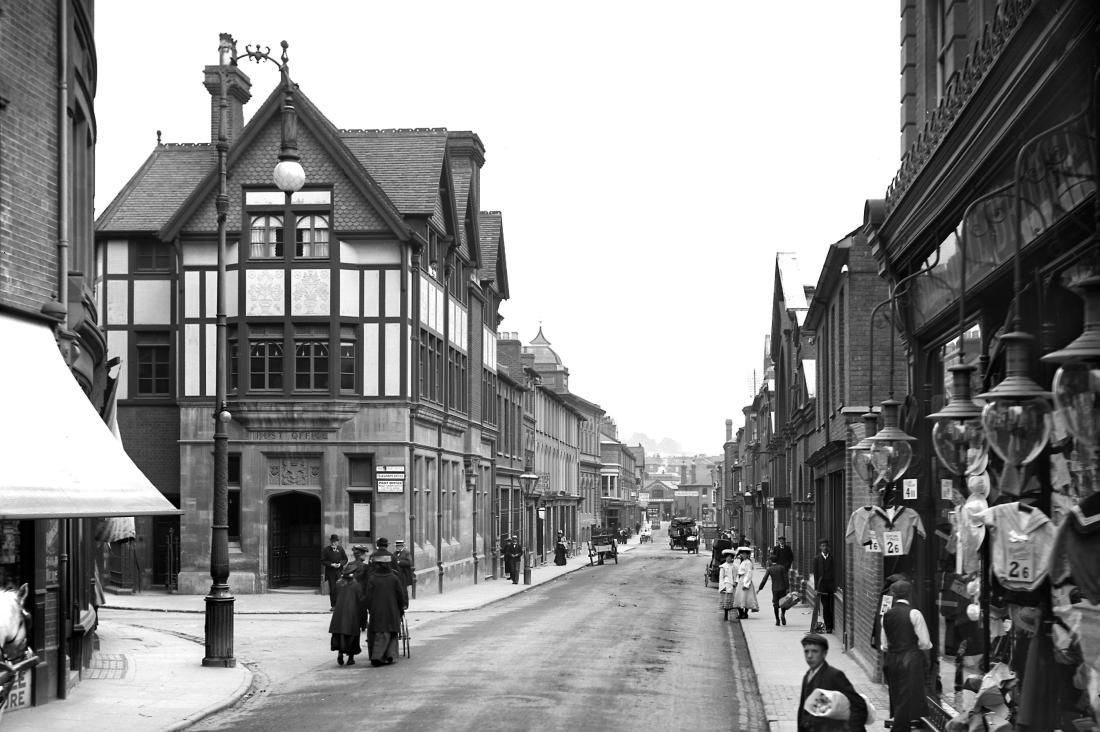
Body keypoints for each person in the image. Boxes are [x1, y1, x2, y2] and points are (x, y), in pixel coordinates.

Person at [880, 580, 931, 730]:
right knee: (906, 696)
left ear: (893, 595)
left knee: (896, 694)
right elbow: (925, 643)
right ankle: (900, 728)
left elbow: (884, 644)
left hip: (891, 659)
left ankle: (902, 724)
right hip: (910, 659)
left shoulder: (886, 615)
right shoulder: (914, 614)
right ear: (909, 593)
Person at [796, 633, 868, 731]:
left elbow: (859, 705)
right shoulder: (807, 675)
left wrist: (852, 728)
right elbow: (803, 710)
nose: (809, 656)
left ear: (824, 653)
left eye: (815, 651)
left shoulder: (834, 675)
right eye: (806, 651)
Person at [362, 555, 408, 667]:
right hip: (392, 610)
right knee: (392, 632)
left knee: (379, 632)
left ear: (378, 566)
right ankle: (390, 655)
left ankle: (378, 656)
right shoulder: (394, 578)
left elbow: (368, 596)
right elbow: (400, 595)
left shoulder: (373, 578)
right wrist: (402, 606)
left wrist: (368, 607)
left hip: (377, 610)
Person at [328, 545, 368, 666]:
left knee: (341, 632)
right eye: (364, 554)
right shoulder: (363, 571)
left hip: (340, 610)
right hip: (355, 606)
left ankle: (340, 652)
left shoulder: (340, 582)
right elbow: (362, 593)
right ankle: (350, 657)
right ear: (361, 555)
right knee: (353, 632)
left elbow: (335, 592)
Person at [812, 539, 837, 633]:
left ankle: (832, 623)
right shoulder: (817, 559)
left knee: (831, 606)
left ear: (828, 547)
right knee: (826, 606)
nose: (825, 547)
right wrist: (816, 588)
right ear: (820, 547)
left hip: (831, 585)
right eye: (823, 546)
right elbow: (815, 575)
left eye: (826, 545)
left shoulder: (832, 557)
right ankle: (829, 626)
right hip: (822, 586)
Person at [759, 554, 790, 626]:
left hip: (775, 589)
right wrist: (787, 588)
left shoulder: (769, 569)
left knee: (775, 604)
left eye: (769, 560)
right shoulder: (782, 567)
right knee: (783, 603)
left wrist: (760, 588)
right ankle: (783, 614)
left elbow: (764, 580)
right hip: (783, 588)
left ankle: (777, 620)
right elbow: (786, 578)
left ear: (771, 561)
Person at [321, 534, 348, 610]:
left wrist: (340, 564)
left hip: (339, 571)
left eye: (336, 541)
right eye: (333, 541)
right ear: (331, 541)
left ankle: (340, 604)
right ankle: (333, 605)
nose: (334, 543)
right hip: (331, 572)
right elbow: (323, 560)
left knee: (340, 588)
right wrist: (331, 564)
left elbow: (345, 559)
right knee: (333, 589)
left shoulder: (340, 549)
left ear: (337, 542)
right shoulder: (326, 550)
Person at [732, 546, 758, 619]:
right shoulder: (743, 562)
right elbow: (739, 573)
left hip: (745, 581)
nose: (743, 555)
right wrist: (737, 581)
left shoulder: (748, 562)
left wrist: (746, 584)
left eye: (744, 554)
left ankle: (745, 613)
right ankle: (741, 613)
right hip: (741, 580)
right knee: (740, 597)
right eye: (742, 554)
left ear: (747, 555)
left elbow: (749, 573)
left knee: (746, 598)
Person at [717, 549, 738, 621]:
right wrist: (722, 586)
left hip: (732, 586)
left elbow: (736, 576)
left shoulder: (734, 566)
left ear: (732, 558)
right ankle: (725, 615)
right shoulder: (723, 566)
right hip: (725, 585)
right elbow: (721, 577)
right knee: (725, 601)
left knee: (730, 601)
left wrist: (735, 582)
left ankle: (731, 614)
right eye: (727, 557)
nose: (728, 558)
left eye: (730, 557)